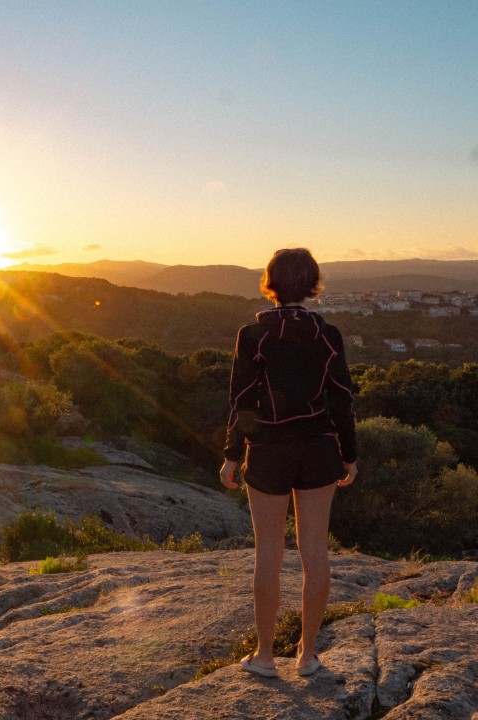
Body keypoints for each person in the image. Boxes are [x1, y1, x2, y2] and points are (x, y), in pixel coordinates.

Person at [219, 248, 358, 678]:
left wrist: (231, 454)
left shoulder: (253, 334)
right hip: (318, 450)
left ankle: (264, 657)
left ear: (270, 282)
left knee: (269, 556)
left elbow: (242, 401)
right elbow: (341, 398)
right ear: (313, 284)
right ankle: (308, 656)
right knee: (316, 554)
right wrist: (349, 455)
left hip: (268, 451)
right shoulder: (327, 334)